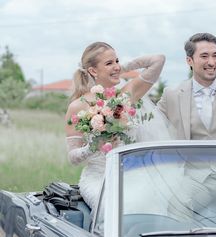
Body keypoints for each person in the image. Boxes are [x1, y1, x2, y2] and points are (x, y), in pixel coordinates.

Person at [65, 42, 165, 210]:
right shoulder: (77, 106)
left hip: (132, 176)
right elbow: (72, 157)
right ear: (93, 71)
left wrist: (120, 68)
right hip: (99, 179)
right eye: (109, 63)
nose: (116, 66)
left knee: (155, 205)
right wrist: (91, 147)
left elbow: (158, 60)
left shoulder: (127, 94)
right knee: (114, 209)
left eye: (117, 61)